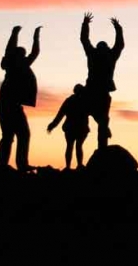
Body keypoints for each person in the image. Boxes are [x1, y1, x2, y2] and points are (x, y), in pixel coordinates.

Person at [0, 25, 41, 177]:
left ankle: (15, 165)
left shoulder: (20, 64)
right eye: (22, 53)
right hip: (8, 106)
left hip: (11, 105)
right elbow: (10, 49)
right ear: (17, 55)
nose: (24, 54)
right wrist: (14, 33)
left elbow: (35, 53)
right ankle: (5, 166)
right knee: (12, 136)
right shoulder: (12, 63)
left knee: (19, 135)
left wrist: (36, 37)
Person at [80, 12, 124, 150]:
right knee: (101, 120)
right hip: (96, 91)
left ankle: (102, 147)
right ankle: (102, 144)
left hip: (96, 91)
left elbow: (85, 40)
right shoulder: (108, 55)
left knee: (101, 120)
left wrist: (85, 24)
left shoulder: (97, 55)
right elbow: (119, 44)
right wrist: (118, 28)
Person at [47, 84, 90, 170]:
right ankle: (77, 165)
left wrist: (53, 125)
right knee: (77, 146)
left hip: (73, 127)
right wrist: (53, 125)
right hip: (78, 128)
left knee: (71, 146)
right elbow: (60, 114)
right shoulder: (84, 101)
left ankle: (70, 166)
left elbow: (60, 115)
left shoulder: (70, 101)